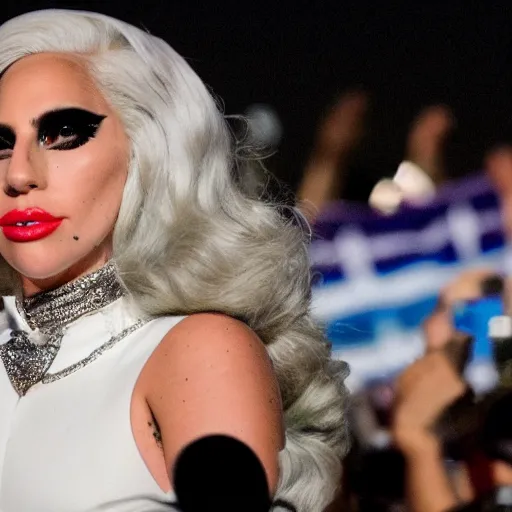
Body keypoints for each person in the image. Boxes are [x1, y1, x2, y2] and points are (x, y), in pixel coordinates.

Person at [0, 9, 350, 512]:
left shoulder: (198, 350)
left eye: (61, 133)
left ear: (147, 153)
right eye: (0, 142)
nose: (19, 174)